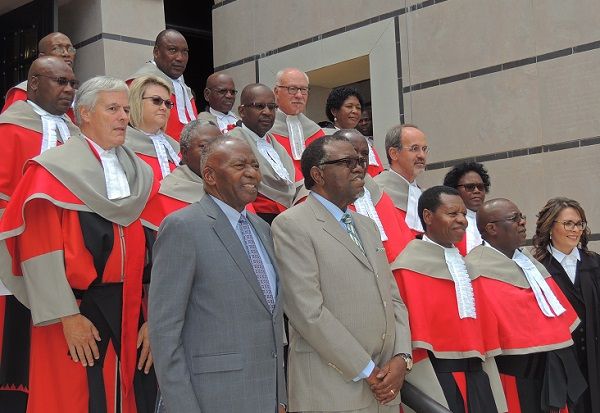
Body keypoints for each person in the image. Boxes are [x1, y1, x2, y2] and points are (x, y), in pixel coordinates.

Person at [0, 76, 158, 412]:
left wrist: (154, 313)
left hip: (131, 308)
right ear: (84, 113)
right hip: (74, 313)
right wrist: (67, 316)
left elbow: (154, 248)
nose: (123, 117)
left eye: (125, 109)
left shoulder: (141, 172)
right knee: (74, 399)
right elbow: (39, 251)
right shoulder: (51, 171)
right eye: (112, 109)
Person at [271, 134, 412, 413]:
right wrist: (367, 370)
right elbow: (308, 313)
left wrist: (402, 357)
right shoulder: (291, 225)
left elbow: (393, 298)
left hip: (384, 388)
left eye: (360, 161)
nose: (359, 168)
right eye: (347, 162)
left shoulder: (367, 226)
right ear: (318, 174)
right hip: (331, 391)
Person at [149, 136, 287, 413]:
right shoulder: (183, 227)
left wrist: (280, 398)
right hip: (212, 399)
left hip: (267, 398)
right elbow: (164, 332)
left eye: (255, 165)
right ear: (210, 175)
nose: (252, 173)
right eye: (240, 165)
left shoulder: (262, 229)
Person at [0, 55, 79, 411]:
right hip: (19, 246)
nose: (69, 90)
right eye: (60, 82)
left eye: (73, 84)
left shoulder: (76, 133)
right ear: (33, 84)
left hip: (71, 249)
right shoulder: (9, 128)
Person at [465, 198, 587, 412]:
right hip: (512, 375)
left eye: (521, 217)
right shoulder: (475, 269)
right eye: (514, 218)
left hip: (550, 371)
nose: (522, 222)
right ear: (492, 228)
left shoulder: (530, 263)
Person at [392, 186, 505, 413]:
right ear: (428, 216)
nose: (462, 220)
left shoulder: (467, 267)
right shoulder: (407, 268)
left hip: (478, 376)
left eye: (463, 214)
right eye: (452, 213)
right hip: (437, 379)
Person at [533, 197, 600, 413]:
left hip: (595, 356)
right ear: (549, 227)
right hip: (559, 361)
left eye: (579, 224)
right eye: (568, 224)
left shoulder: (595, 264)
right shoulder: (537, 269)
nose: (576, 230)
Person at [227, 83, 295, 224]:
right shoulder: (232, 143)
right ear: (242, 111)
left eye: (272, 107)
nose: (267, 112)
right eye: (259, 106)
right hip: (256, 218)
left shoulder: (276, 145)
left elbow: (298, 184)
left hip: (289, 215)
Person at [141, 119, 222, 230]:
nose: (215, 154)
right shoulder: (161, 196)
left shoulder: (232, 189)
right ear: (184, 152)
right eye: (204, 146)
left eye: (220, 146)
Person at [127, 29, 197, 140]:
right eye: (172, 50)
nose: (180, 58)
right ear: (156, 52)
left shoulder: (185, 89)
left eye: (185, 52)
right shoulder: (138, 84)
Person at [2, 32, 77, 118]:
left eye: (70, 49)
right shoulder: (23, 92)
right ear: (42, 57)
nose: (66, 54)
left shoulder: (77, 94)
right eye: (58, 49)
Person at [270, 67, 325, 179]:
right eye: (292, 89)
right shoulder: (265, 130)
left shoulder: (316, 132)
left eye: (303, 89)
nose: (299, 95)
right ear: (276, 92)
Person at [375, 124, 427, 237]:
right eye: (414, 149)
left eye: (424, 149)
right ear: (394, 153)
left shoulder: (423, 194)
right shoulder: (377, 192)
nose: (422, 155)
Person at [125, 75, 180, 181]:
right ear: (136, 101)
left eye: (168, 103)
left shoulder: (175, 147)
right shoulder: (121, 146)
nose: (164, 107)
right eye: (156, 100)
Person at [324, 87, 384, 177]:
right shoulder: (326, 140)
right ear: (334, 111)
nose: (355, 111)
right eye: (349, 106)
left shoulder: (365, 142)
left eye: (358, 108)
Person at [443, 161, 491, 255]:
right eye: (470, 187)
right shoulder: (446, 222)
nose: (476, 191)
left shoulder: (494, 221)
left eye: (480, 187)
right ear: (454, 189)